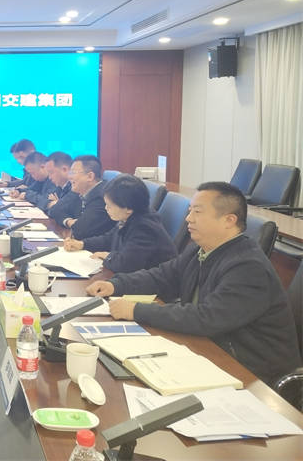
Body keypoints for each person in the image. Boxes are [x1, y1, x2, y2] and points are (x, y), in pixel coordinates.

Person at [86, 182, 301, 386]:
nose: (188, 218)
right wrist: (115, 285)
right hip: (210, 348)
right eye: (189, 211)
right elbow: (162, 276)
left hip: (252, 373)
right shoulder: (202, 249)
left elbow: (207, 317)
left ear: (229, 220)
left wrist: (136, 310)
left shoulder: (248, 267)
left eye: (197, 212)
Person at [64, 174, 176, 272]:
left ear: (128, 208)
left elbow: (127, 264)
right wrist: (83, 244)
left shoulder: (145, 228)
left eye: (109, 205)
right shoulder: (130, 216)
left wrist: (107, 256)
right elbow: (109, 238)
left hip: (152, 286)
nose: (106, 208)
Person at [61, 155, 116, 240]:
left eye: (73, 173)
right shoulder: (82, 192)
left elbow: (80, 230)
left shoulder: (102, 197)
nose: (69, 177)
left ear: (90, 176)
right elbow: (56, 210)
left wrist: (75, 223)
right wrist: (69, 221)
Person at [45, 151, 81, 224]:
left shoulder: (76, 187)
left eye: (51, 173)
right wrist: (56, 204)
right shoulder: (60, 186)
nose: (49, 177)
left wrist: (57, 204)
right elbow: (44, 200)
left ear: (64, 169)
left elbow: (55, 210)